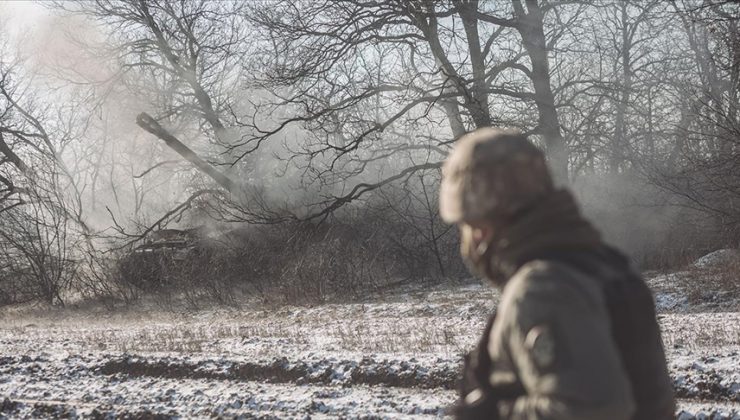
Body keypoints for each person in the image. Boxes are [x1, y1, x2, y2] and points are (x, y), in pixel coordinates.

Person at [439, 128, 675, 420]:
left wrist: (496, 415)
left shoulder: (542, 287)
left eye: (466, 225)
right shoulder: (604, 264)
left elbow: (591, 410)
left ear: (480, 226)